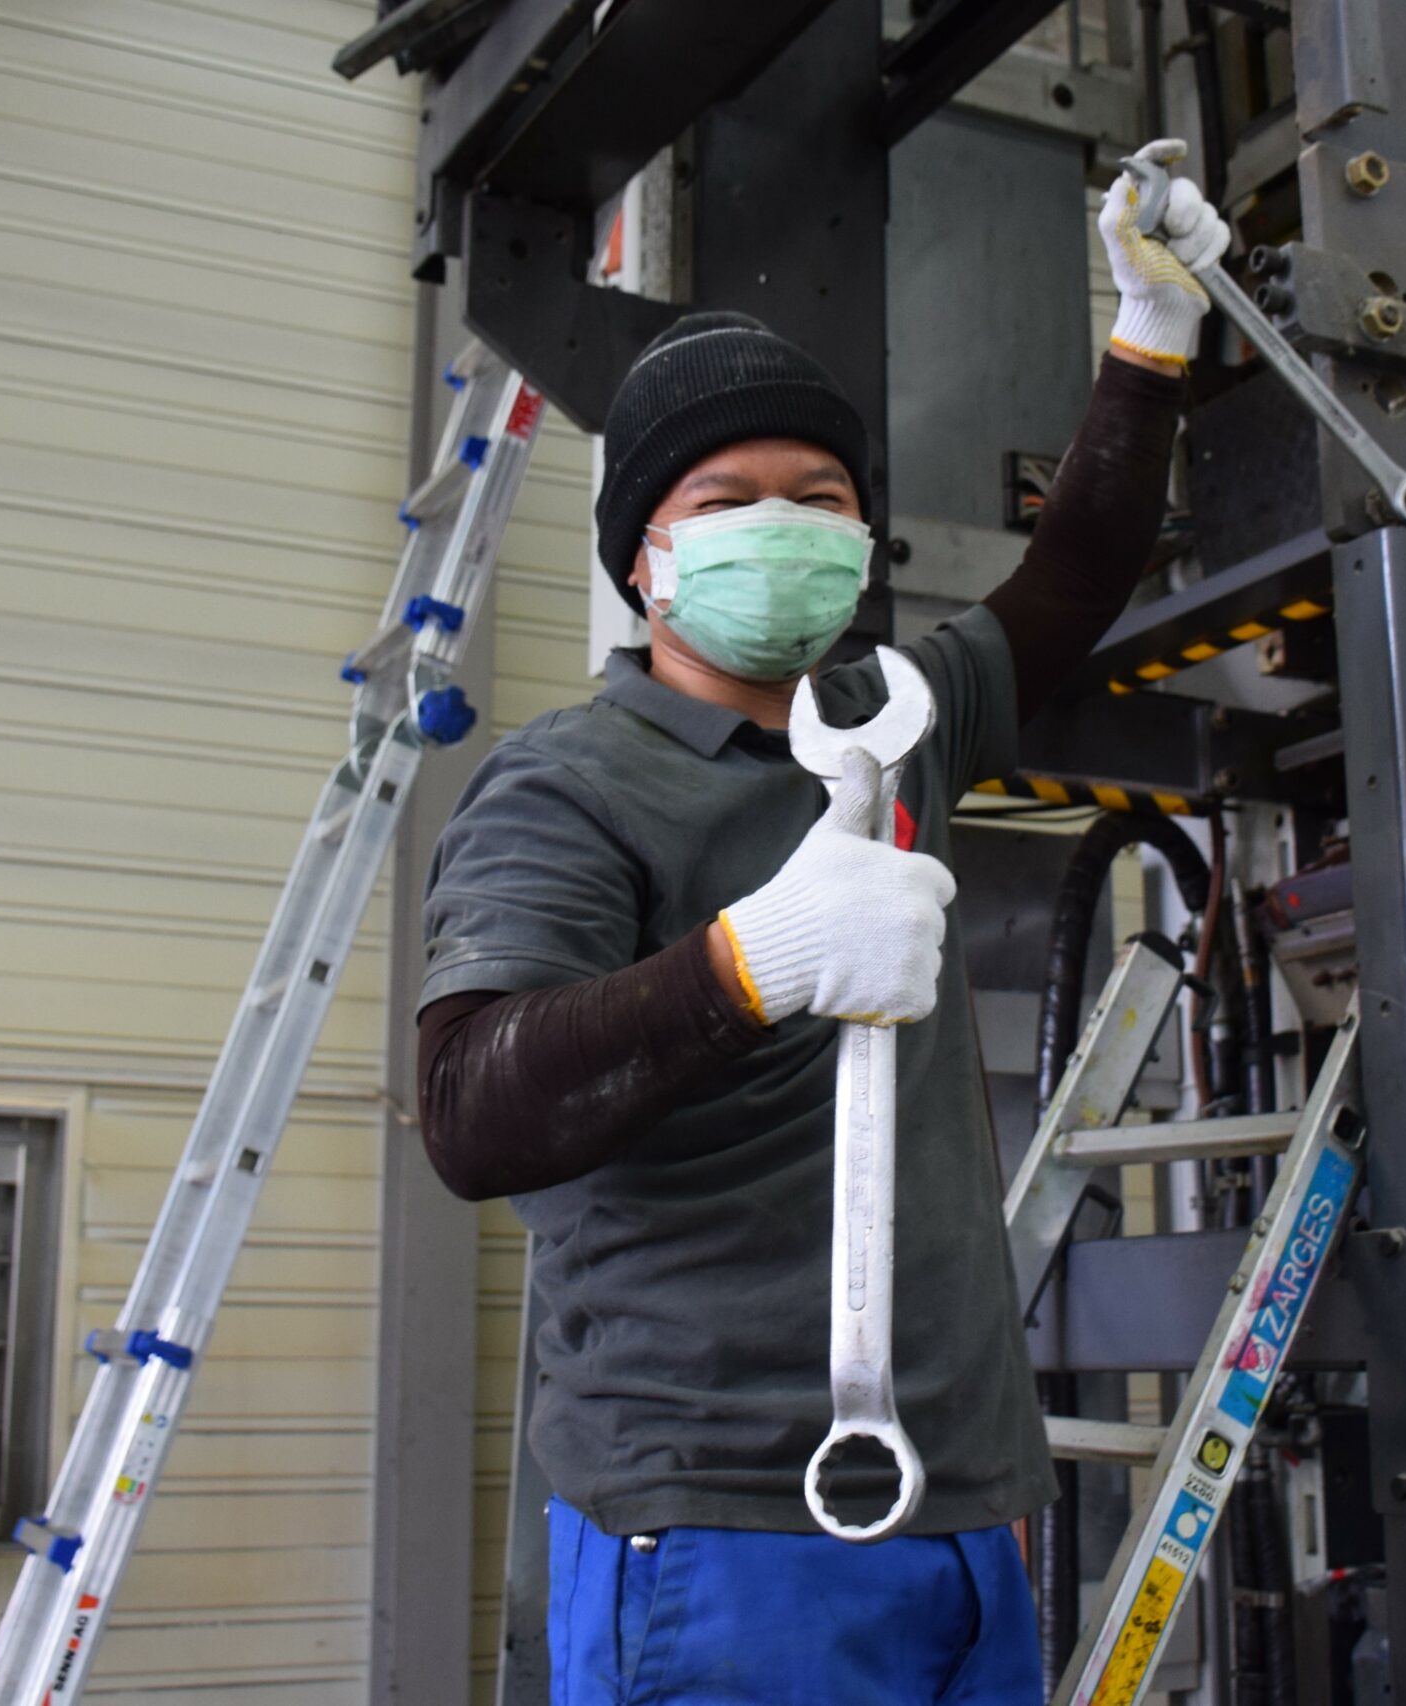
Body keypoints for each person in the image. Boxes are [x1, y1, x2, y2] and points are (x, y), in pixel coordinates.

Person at [414, 141, 1229, 1704]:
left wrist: (1151, 340)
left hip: (965, 1496)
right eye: (728, 501)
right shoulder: (569, 785)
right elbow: (473, 1106)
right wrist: (750, 963)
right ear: (649, 556)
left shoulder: (896, 716)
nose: (781, 523)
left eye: (820, 497)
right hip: (721, 1525)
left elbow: (1070, 582)